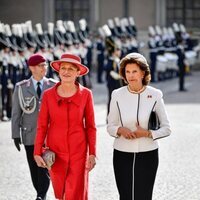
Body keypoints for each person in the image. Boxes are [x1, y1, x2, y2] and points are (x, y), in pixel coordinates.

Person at [107, 52, 171, 200]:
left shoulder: (155, 95)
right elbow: (110, 126)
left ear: (143, 73)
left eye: (134, 71)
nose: (131, 75)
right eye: (127, 72)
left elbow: (166, 128)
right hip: (122, 153)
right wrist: (119, 130)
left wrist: (148, 133)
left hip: (148, 154)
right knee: (125, 196)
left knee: (144, 196)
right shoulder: (117, 94)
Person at [34, 53, 96, 200]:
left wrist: (92, 153)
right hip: (55, 152)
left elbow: (91, 126)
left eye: (71, 69)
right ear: (59, 70)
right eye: (63, 68)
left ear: (78, 72)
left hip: (79, 151)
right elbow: (42, 126)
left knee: (76, 192)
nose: (66, 72)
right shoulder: (48, 95)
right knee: (60, 192)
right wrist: (37, 152)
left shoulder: (86, 94)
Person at [11, 53, 57, 200]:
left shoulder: (53, 85)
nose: (45, 68)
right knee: (33, 167)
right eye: (41, 65)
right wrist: (15, 135)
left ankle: (41, 195)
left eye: (45, 65)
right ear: (32, 68)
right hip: (29, 133)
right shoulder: (21, 87)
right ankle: (40, 193)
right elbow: (16, 113)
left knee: (44, 164)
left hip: (48, 135)